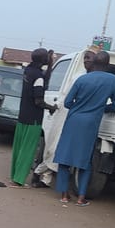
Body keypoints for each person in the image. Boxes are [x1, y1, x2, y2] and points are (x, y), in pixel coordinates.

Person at [54, 50, 115, 206]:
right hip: (91, 123)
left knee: (65, 158)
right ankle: (81, 198)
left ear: (94, 63)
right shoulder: (113, 80)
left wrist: (79, 106)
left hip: (73, 121)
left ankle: (64, 196)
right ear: (108, 64)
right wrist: (102, 108)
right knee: (85, 161)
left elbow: (67, 103)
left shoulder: (82, 79)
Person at [32, 49, 96, 188]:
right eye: (85, 58)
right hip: (65, 113)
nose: (86, 60)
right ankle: (42, 176)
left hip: (77, 118)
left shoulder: (90, 78)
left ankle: (41, 174)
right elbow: (67, 99)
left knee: (60, 149)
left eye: (89, 58)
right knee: (54, 147)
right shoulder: (78, 76)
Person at [9, 47, 55, 188]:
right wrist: (52, 107)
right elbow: (39, 101)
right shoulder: (39, 77)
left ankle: (14, 175)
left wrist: (50, 63)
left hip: (23, 115)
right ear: (43, 60)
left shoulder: (28, 71)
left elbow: (43, 78)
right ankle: (19, 179)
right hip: (33, 119)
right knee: (28, 150)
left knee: (19, 147)